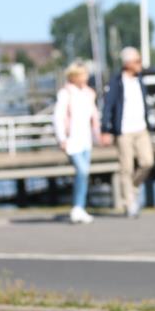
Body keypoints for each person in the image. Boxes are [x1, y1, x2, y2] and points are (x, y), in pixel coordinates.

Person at [101, 46, 154, 217]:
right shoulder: (116, 82)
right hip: (123, 130)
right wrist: (105, 129)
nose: (140, 64)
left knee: (147, 162)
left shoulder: (140, 81)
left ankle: (132, 187)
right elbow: (108, 105)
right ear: (128, 63)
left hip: (141, 128)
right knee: (126, 167)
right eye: (137, 61)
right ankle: (129, 203)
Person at [53, 62, 100, 224]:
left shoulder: (89, 93)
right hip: (71, 139)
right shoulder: (65, 93)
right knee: (82, 171)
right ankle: (77, 207)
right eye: (82, 74)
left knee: (84, 174)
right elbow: (58, 117)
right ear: (74, 76)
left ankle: (80, 207)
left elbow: (94, 116)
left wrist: (98, 135)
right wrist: (62, 138)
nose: (85, 78)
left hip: (86, 139)